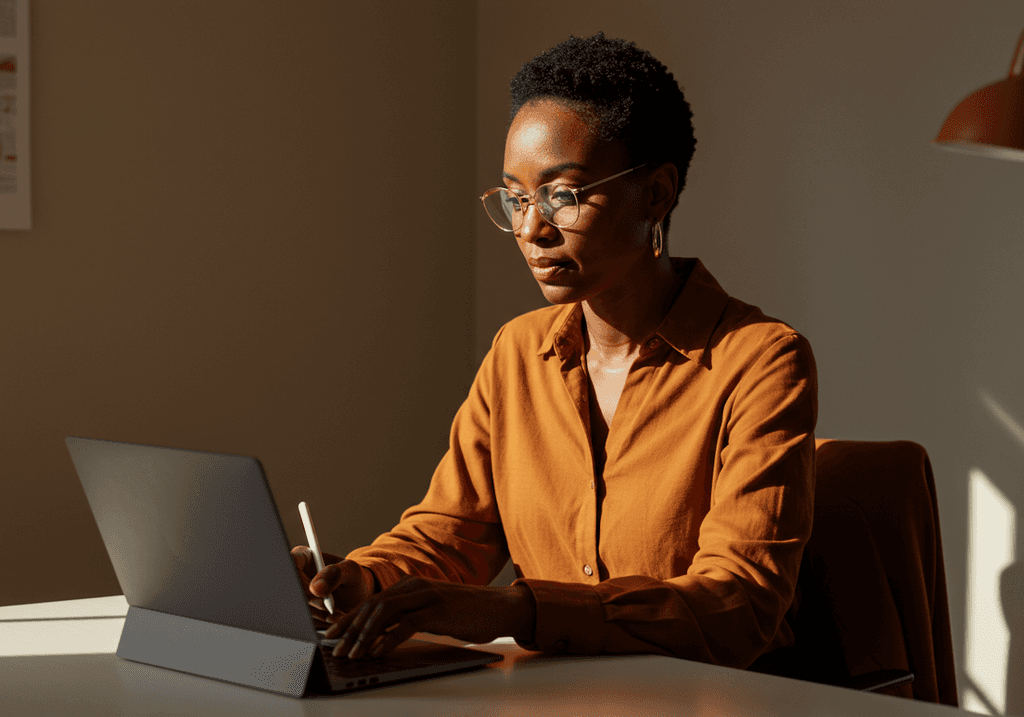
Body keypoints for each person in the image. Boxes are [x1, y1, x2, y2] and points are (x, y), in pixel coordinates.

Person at [291, 32, 817, 668]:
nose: (532, 229)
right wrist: (365, 581)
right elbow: (453, 534)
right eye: (515, 198)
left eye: (563, 195)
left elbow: (739, 603)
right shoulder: (519, 352)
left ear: (656, 193)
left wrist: (519, 610)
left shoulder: (760, 362)